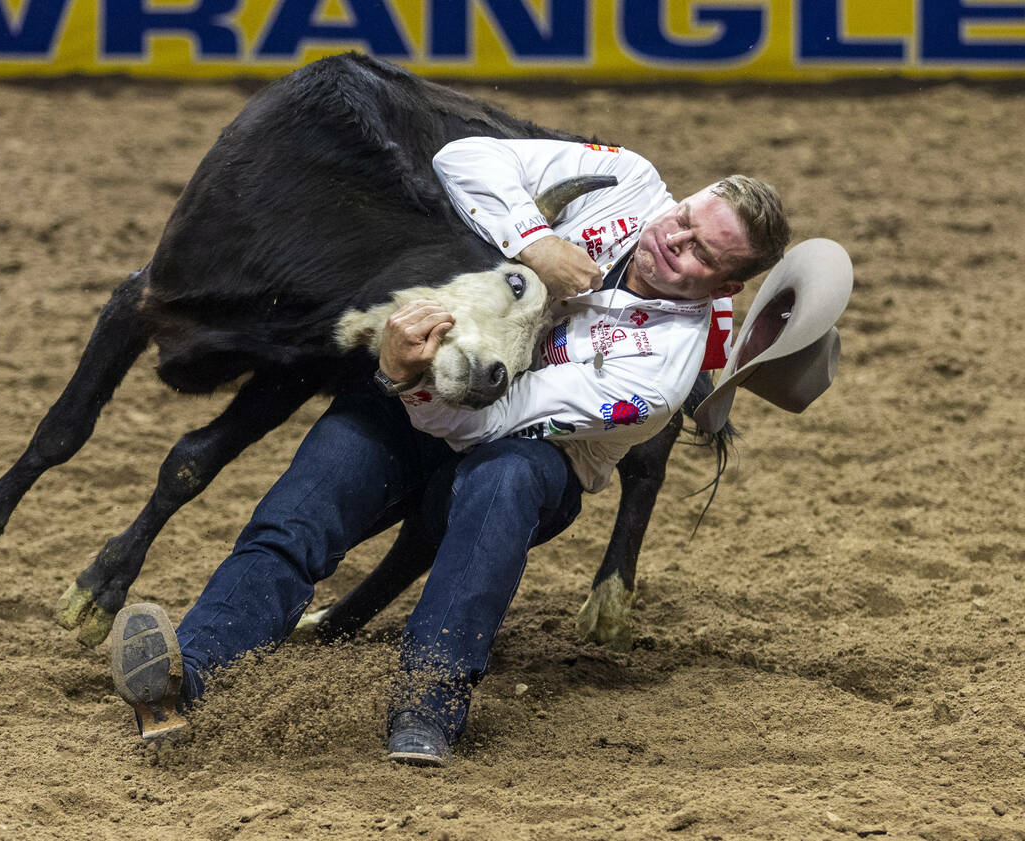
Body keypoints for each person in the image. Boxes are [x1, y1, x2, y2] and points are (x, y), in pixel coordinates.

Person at [109, 137, 791, 765]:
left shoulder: (658, 374)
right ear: (680, 202)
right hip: (426, 395)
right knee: (304, 509)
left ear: (726, 288)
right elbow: (463, 157)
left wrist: (407, 373)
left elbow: (488, 424)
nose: (675, 244)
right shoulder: (628, 181)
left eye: (703, 254)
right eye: (684, 222)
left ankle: (427, 704)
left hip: (525, 450)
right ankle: (186, 679)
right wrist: (533, 240)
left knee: (504, 480)